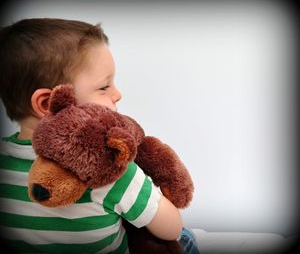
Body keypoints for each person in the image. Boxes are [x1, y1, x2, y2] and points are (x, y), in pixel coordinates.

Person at [0, 18, 200, 253]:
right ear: (48, 103)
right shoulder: (109, 170)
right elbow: (171, 229)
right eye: (104, 87)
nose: (118, 94)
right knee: (185, 238)